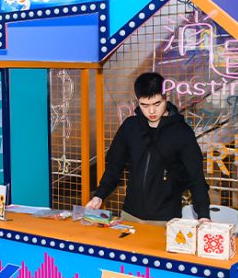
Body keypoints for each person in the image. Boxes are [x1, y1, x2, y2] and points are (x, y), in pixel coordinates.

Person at [87, 72, 211, 224]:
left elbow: (196, 178)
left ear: (166, 97)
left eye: (157, 104)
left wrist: (203, 215)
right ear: (137, 100)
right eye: (144, 105)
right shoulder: (130, 127)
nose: (151, 111)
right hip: (130, 214)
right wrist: (99, 195)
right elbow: (114, 166)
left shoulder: (182, 133)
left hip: (165, 219)